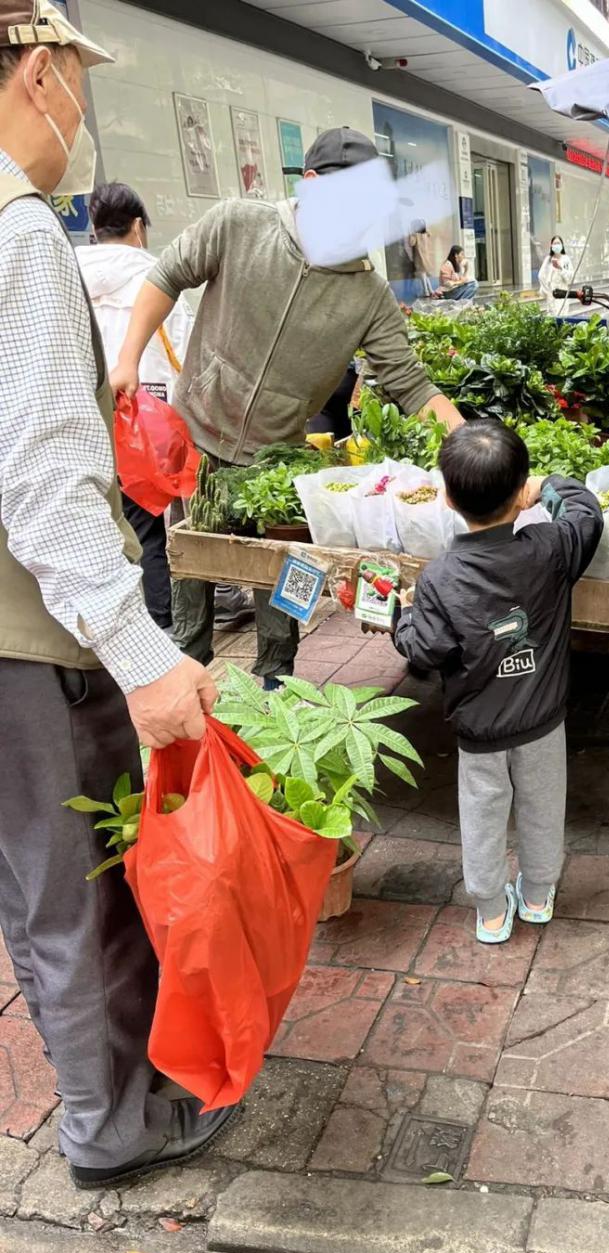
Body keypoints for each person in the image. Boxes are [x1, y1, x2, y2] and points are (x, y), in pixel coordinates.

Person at [0, 0, 235, 1188]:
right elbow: (46, 479)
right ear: (38, 74)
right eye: (76, 84)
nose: (77, 111)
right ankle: (112, 1123)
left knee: (26, 884)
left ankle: (97, 1094)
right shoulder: (18, 230)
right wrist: (142, 654)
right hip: (26, 643)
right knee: (80, 896)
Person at [111, 126, 464, 689]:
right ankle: (192, 707)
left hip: (280, 465)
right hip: (198, 443)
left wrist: (472, 448)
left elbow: (411, 385)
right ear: (312, 184)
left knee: (284, 598)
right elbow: (167, 274)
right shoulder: (238, 224)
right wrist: (128, 359)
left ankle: (278, 689)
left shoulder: (366, 293)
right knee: (191, 588)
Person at [392, 420, 603, 942]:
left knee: (482, 815)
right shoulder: (550, 548)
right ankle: (536, 896)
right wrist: (548, 487)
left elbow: (426, 650)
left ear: (445, 497)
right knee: (543, 808)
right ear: (519, 492)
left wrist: (401, 617)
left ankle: (489, 912)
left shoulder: (440, 577)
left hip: (479, 729)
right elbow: (587, 513)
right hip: (542, 722)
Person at [76, 182, 194, 631]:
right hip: (148, 423)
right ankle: (163, 626)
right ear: (138, 227)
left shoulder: (70, 276)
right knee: (152, 528)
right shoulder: (157, 278)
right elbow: (183, 355)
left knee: (109, 525)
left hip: (91, 417)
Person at [538, 234, 575, 316]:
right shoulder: (548, 259)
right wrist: (547, 291)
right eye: (555, 243)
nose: (556, 245)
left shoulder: (566, 259)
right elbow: (541, 275)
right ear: (551, 246)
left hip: (562, 293)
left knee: (561, 316)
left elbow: (570, 278)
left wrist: (560, 268)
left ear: (562, 245)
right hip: (551, 295)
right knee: (552, 317)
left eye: (558, 243)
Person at [408, 219, 440, 298]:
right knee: (424, 274)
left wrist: (410, 234)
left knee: (422, 274)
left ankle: (426, 291)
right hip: (426, 256)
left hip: (419, 257)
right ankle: (430, 290)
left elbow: (411, 243)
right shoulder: (426, 234)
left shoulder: (416, 235)